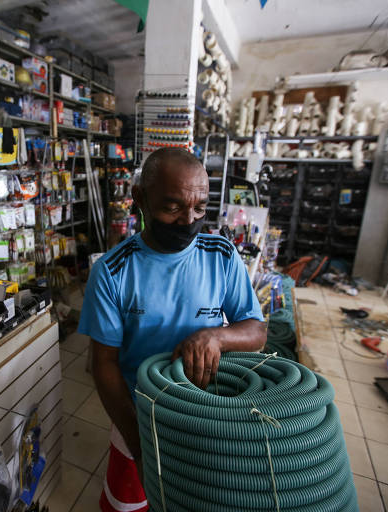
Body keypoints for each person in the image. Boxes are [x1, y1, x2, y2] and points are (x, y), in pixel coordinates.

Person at [77, 147, 267, 512]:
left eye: (199, 208)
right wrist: (139, 445)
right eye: (173, 207)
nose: (188, 221)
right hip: (138, 414)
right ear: (140, 199)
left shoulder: (221, 256)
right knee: (129, 504)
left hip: (205, 413)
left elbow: (256, 331)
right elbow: (103, 364)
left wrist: (217, 336)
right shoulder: (114, 271)